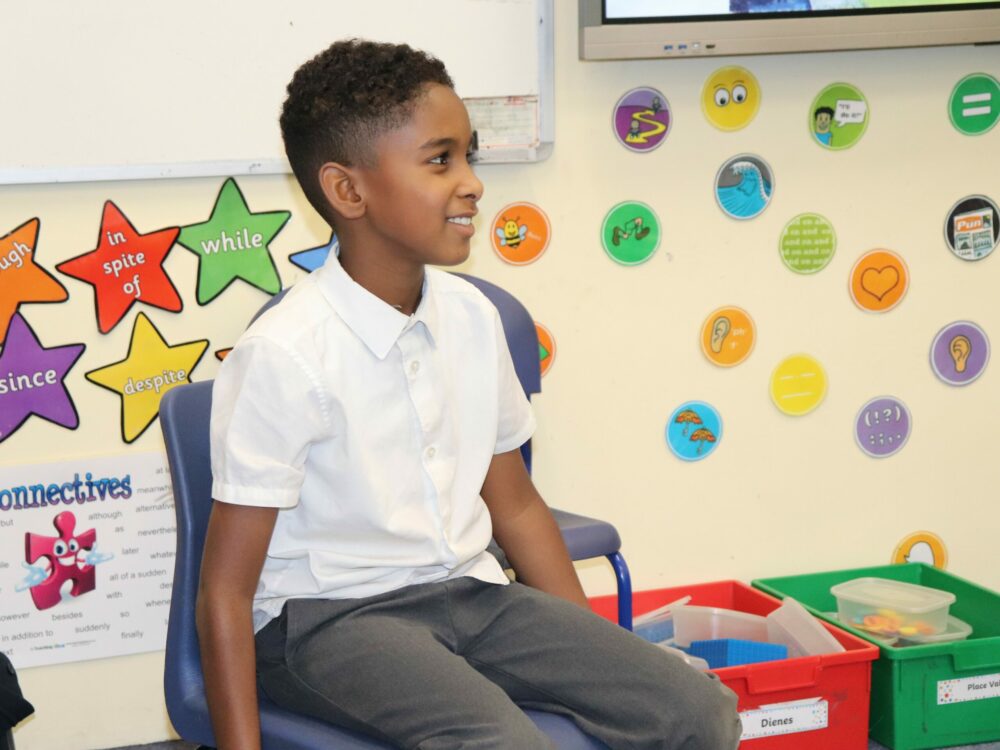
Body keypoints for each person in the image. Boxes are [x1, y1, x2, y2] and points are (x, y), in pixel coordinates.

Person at [200, 38, 741, 750]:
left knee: (695, 709)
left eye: (469, 156)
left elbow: (513, 503)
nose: (473, 182)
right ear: (348, 191)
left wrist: (594, 657)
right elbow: (225, 594)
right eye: (439, 159)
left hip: (476, 597)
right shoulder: (284, 355)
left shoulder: (473, 317)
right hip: (333, 622)